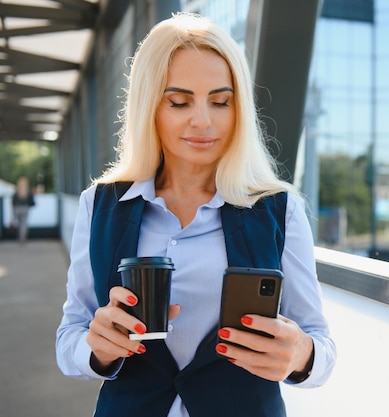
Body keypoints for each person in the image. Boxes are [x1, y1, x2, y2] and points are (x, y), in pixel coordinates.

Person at [56, 12, 335, 417]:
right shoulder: (99, 206)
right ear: (150, 106)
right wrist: (96, 349)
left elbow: (320, 345)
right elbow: (69, 338)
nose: (203, 121)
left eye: (221, 101)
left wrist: (300, 355)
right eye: (180, 101)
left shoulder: (278, 209)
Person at [11, 176, 35, 244]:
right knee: (23, 224)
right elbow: (31, 201)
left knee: (19, 223)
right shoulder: (27, 191)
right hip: (25, 208)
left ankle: (19, 237)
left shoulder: (17, 191)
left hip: (17, 208)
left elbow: (13, 201)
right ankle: (22, 238)